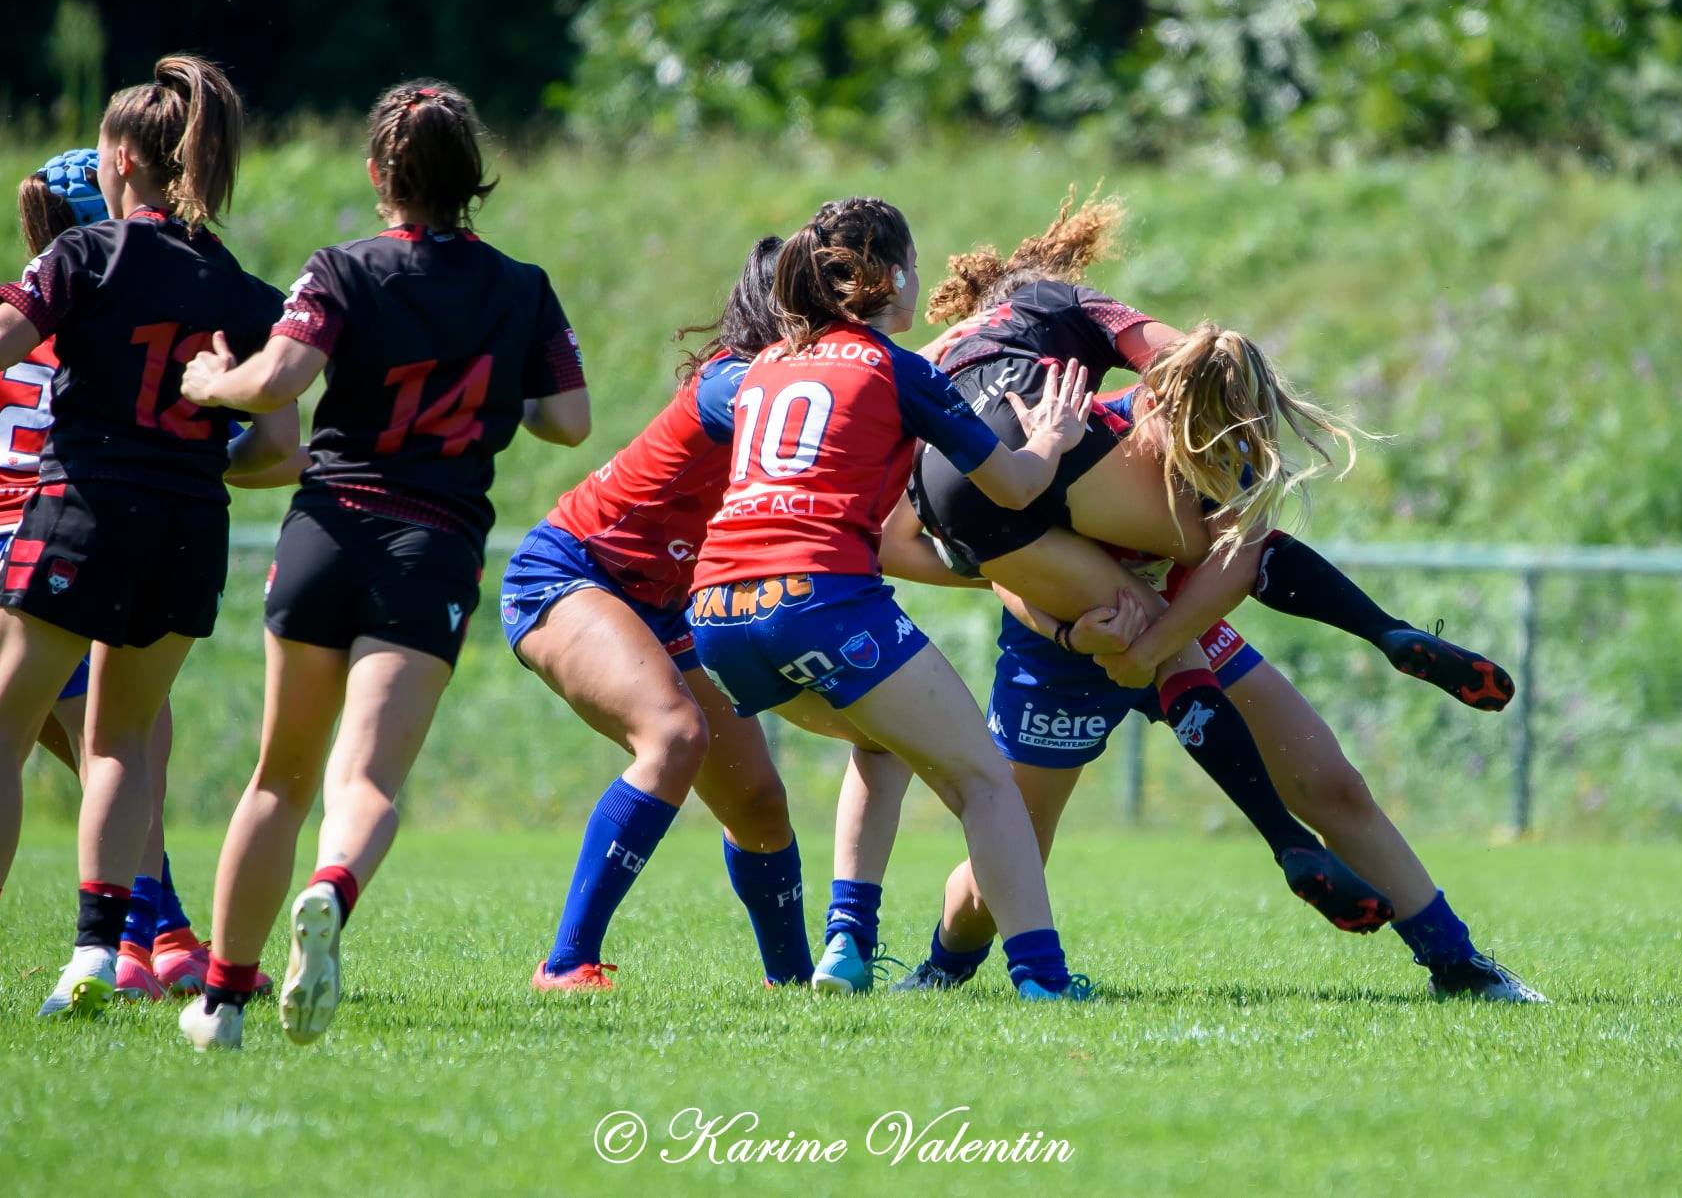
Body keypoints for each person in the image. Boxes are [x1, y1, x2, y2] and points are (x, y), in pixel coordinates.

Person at [176, 80, 590, 1051]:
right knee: (364, 780)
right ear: (473, 181)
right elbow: (568, 420)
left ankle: (224, 1002)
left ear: (379, 175)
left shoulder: (342, 268)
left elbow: (278, 379)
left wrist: (211, 382)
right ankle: (332, 886)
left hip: (327, 529)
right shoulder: (520, 287)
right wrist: (492, 399)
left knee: (279, 778)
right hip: (430, 543)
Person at [885, 393, 1545, 1001]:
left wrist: (1155, 639)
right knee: (1011, 848)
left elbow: (1246, 558)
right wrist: (1067, 628)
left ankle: (1456, 965)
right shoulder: (1055, 430)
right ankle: (946, 965)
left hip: (1184, 627)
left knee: (1333, 787)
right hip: (1060, 657)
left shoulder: (1230, 451)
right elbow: (994, 564)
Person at [0, 56, 297, 1029]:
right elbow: (278, 446)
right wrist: (196, 460)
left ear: (120, 158)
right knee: (123, 742)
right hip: (190, 527)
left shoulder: (84, 255)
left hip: (83, 508)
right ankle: (94, 948)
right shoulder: (238, 285)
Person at [687, 195, 1098, 1001]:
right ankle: (1043, 980)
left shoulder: (757, 369)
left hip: (716, 615)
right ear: (893, 276)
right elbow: (1013, 488)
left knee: (879, 739)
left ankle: (845, 946)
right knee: (984, 781)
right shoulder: (891, 366)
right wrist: (1051, 437)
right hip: (818, 602)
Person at [910, 191, 1515, 708]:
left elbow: (894, 544)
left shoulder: (942, 355)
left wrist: (1054, 621)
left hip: (949, 497)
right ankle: (1383, 632)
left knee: (1018, 822)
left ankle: (1283, 836)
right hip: (1048, 446)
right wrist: (1228, 455)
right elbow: (1194, 360)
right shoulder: (1058, 300)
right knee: (1234, 545)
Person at [504, 237, 819, 990]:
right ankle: (565, 965)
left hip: (664, 604)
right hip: (569, 572)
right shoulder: (732, 384)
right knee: (673, 735)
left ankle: (798, 987)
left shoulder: (812, 384)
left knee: (757, 802)